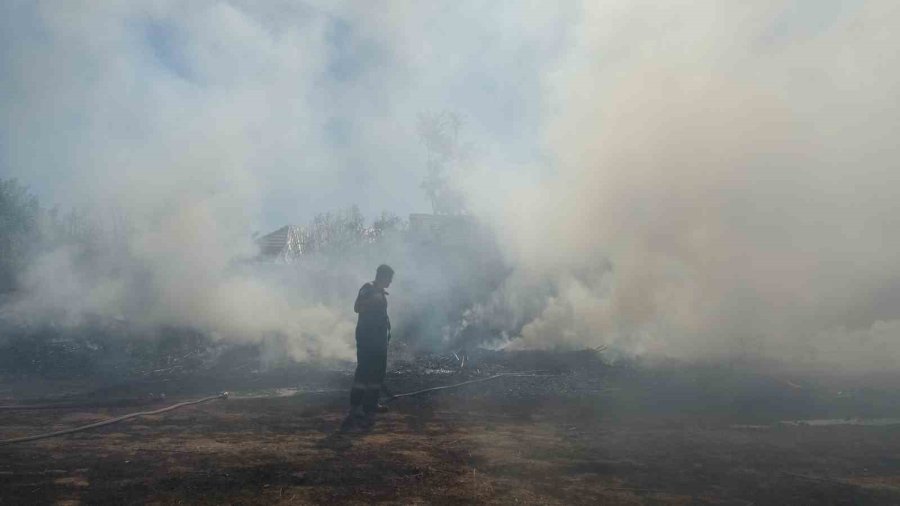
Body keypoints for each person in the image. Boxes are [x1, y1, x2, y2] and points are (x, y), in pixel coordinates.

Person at [343, 264, 394, 431]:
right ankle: (355, 408)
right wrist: (372, 299)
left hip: (379, 340)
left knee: (378, 373)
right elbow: (357, 308)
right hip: (367, 339)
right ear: (382, 276)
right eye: (389, 278)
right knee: (364, 372)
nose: (391, 282)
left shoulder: (380, 293)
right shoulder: (367, 288)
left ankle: (370, 405)